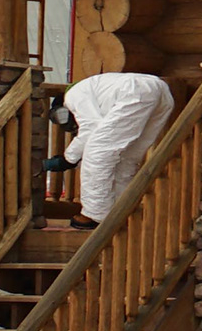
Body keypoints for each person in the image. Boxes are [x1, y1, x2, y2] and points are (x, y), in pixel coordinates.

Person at [62, 68, 176, 221]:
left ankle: (95, 216)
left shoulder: (72, 95)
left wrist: (69, 157)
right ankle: (121, 213)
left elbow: (91, 125)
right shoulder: (94, 87)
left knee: (97, 154)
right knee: (126, 158)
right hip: (161, 90)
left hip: (134, 92)